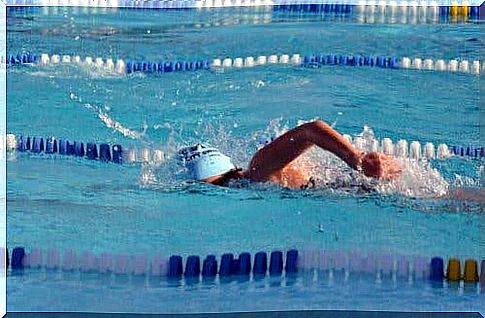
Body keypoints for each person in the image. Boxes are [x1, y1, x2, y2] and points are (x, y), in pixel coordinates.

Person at [178, 120, 401, 188]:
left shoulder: (258, 171)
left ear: (230, 174)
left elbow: (311, 130)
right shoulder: (253, 183)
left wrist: (357, 158)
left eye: (213, 183)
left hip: (361, 181)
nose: (214, 187)